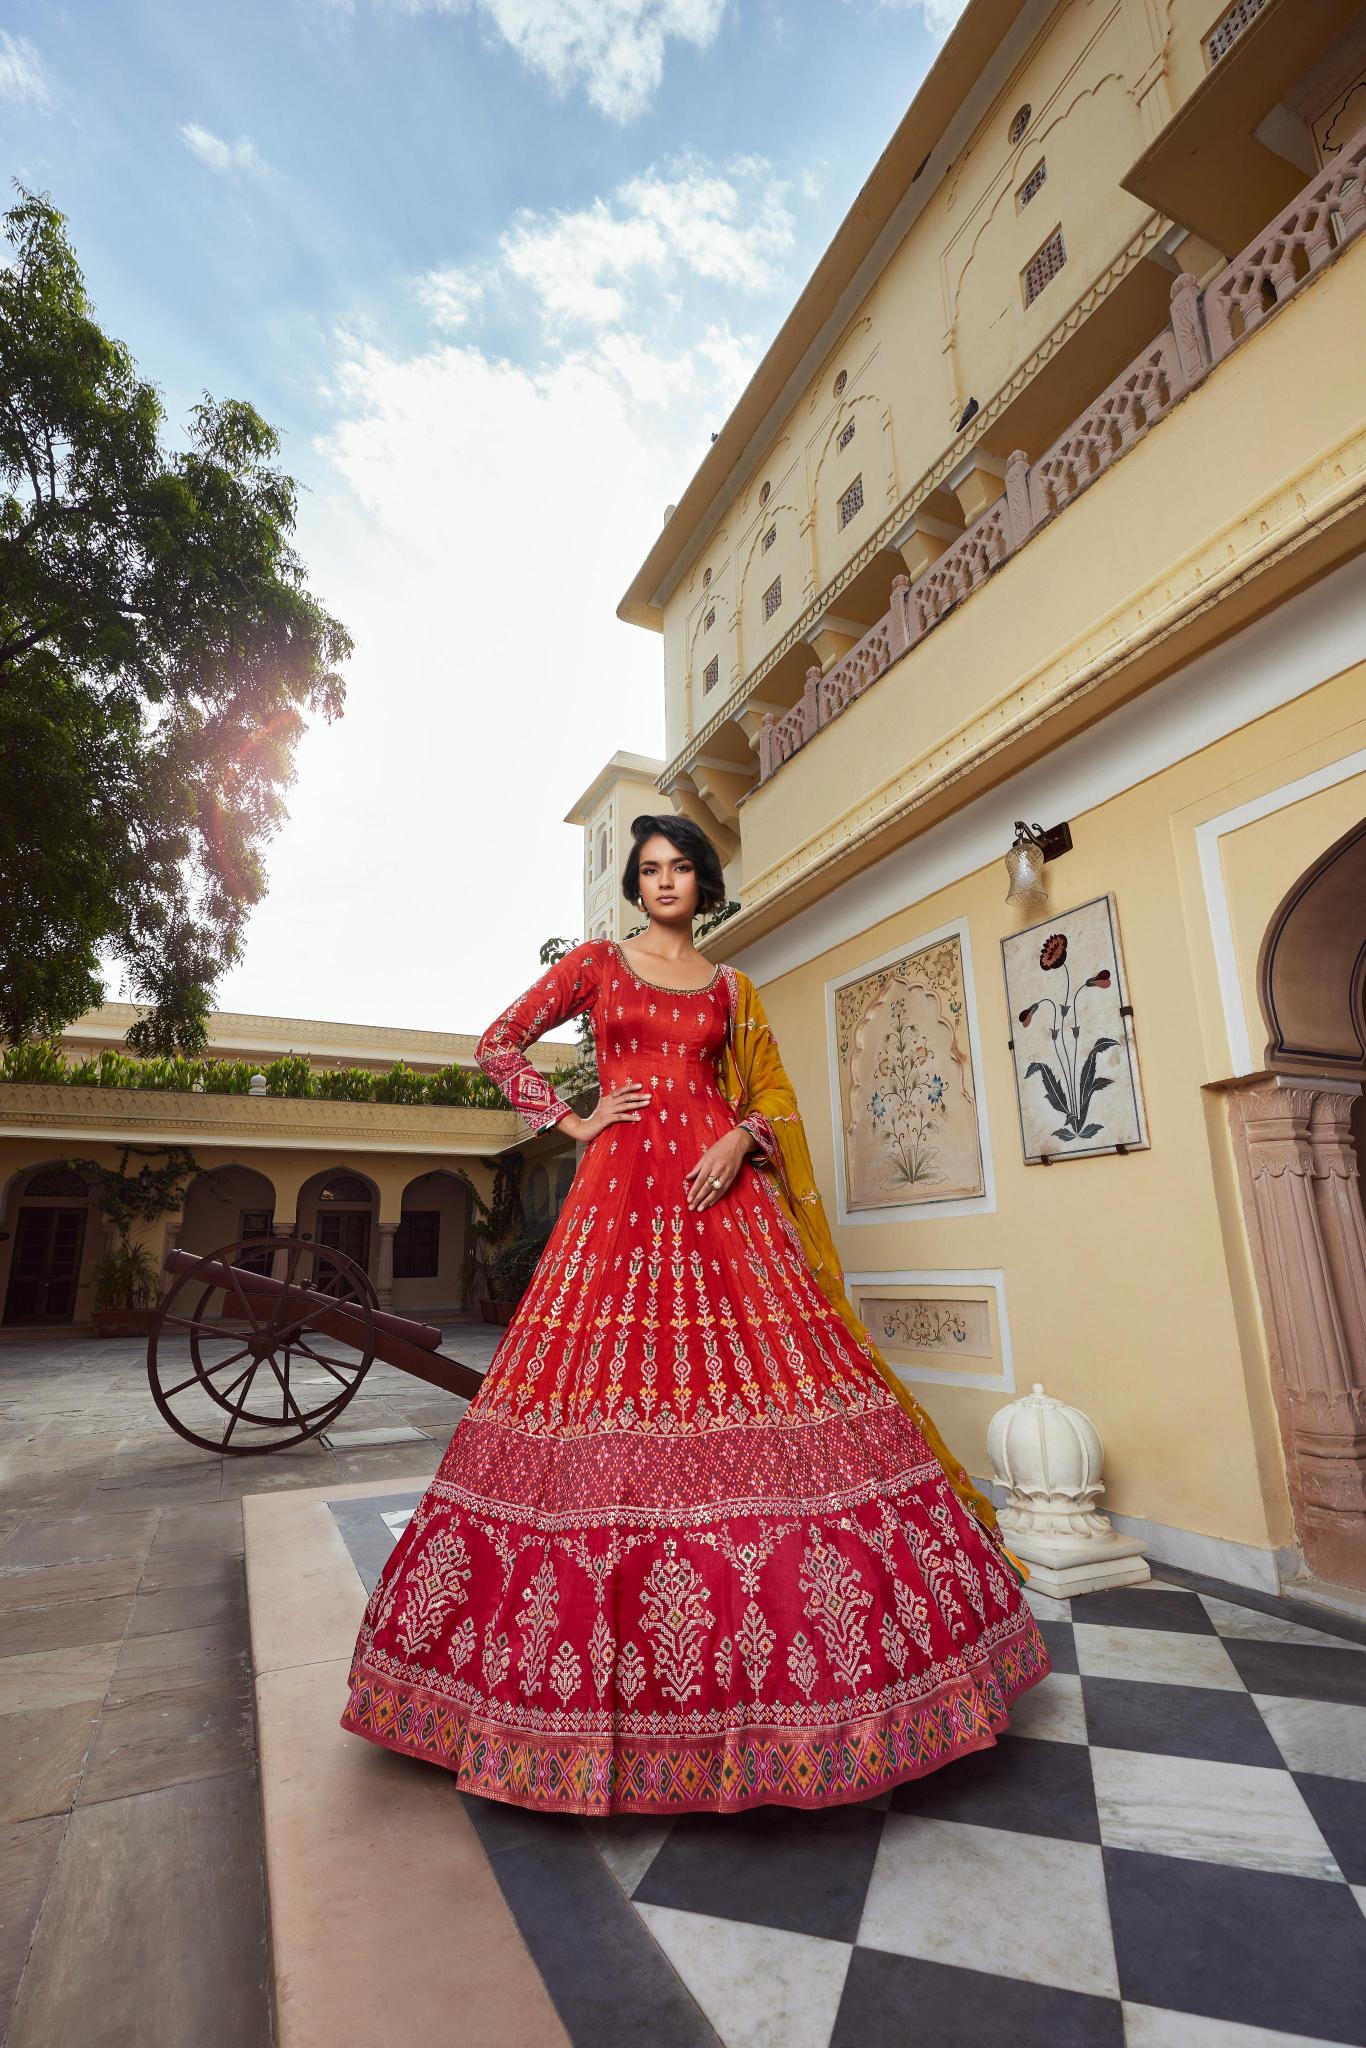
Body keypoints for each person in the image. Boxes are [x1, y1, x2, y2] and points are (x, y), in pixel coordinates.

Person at [339, 815, 1050, 1814]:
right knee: (602, 1408)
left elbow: (768, 1094)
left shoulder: (731, 987)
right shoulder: (597, 963)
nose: (664, 880)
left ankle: (837, 1695)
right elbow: (497, 1042)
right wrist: (573, 1117)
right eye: (649, 869)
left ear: (701, 880)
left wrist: (742, 1137)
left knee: (781, 1406)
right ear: (635, 885)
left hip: (723, 1200)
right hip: (619, 1192)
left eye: (679, 867)